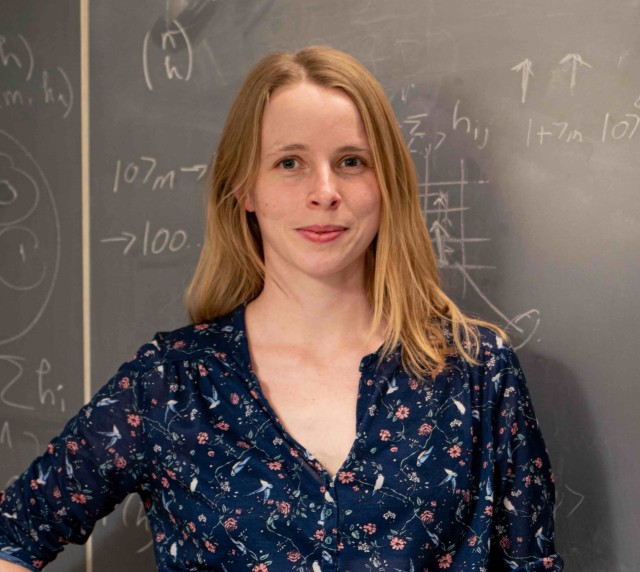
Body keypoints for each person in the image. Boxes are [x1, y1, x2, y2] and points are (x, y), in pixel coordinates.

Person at [0, 46, 563, 571]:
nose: (324, 191)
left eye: (351, 161)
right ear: (244, 187)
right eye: (289, 163)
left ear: (386, 184)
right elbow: (13, 536)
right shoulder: (171, 385)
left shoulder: (477, 372)